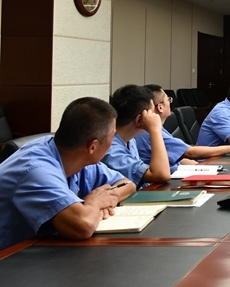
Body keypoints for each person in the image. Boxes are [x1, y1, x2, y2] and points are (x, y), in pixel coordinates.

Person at [0, 97, 135, 250]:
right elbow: (83, 227)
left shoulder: (77, 156)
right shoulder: (37, 170)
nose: (113, 142)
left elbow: (128, 184)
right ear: (93, 146)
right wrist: (95, 203)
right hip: (9, 257)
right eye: (113, 136)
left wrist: (105, 200)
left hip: (37, 251)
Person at [135, 85, 230, 166]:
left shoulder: (157, 129)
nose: (170, 103)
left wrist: (199, 167)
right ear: (160, 107)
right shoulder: (149, 132)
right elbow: (189, 152)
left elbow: (178, 157)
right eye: (168, 100)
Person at [102, 85, 171, 187]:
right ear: (140, 119)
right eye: (152, 113)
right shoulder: (112, 151)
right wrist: (155, 130)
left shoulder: (130, 140)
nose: (156, 116)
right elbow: (161, 175)